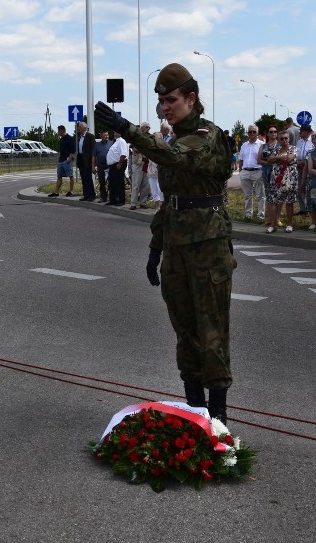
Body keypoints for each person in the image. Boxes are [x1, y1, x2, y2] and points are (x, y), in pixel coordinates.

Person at [94, 62, 235, 424]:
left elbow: (175, 157)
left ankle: (217, 418)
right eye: (161, 102)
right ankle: (194, 410)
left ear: (191, 98)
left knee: (211, 330)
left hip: (208, 247)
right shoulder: (173, 137)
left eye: (171, 100)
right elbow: (170, 204)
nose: (165, 107)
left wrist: (126, 130)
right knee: (184, 330)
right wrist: (155, 248)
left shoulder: (208, 136)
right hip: (176, 244)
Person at [266, 131, 297, 233]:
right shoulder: (276, 149)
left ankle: (289, 224)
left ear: (289, 139)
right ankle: (273, 225)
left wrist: (277, 158)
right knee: (273, 201)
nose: (284, 140)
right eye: (282, 139)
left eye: (286, 138)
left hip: (289, 179)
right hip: (276, 179)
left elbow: (288, 159)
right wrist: (279, 157)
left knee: (289, 202)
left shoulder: (293, 148)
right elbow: (269, 159)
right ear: (278, 140)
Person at [238, 124, 264, 221]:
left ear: (257, 133)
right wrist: (241, 172)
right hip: (245, 172)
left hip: (257, 171)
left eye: (254, 132)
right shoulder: (244, 145)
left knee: (260, 195)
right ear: (247, 133)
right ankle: (248, 215)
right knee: (247, 195)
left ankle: (261, 215)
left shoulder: (261, 144)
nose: (252, 133)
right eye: (250, 132)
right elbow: (240, 159)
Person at [258, 125, 280, 226]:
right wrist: (269, 162)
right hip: (266, 172)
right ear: (267, 134)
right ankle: (270, 219)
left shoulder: (280, 146)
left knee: (278, 196)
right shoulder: (263, 146)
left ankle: (277, 218)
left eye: (275, 132)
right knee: (268, 195)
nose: (273, 133)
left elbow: (282, 158)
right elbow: (259, 160)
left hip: (278, 173)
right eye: (271, 132)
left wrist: (273, 160)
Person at [129, 122, 152, 209]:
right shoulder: (137, 137)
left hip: (146, 163)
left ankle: (143, 202)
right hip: (138, 163)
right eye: (147, 127)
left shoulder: (149, 137)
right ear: (142, 128)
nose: (148, 129)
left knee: (146, 184)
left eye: (149, 128)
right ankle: (133, 203)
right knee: (136, 184)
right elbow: (135, 148)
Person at [49, 125, 75, 197]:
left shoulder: (70, 138)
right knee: (59, 176)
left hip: (67, 160)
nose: (58, 133)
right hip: (61, 160)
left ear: (62, 130)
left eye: (58, 131)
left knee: (70, 175)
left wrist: (69, 158)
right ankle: (56, 192)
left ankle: (71, 191)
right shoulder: (61, 139)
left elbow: (73, 150)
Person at [104, 130, 128, 205]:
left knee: (119, 183)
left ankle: (121, 200)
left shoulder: (121, 141)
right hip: (113, 165)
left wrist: (120, 163)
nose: (115, 133)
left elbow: (123, 154)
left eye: (117, 131)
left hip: (118, 164)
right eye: (114, 131)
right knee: (112, 183)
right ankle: (113, 199)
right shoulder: (116, 141)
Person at [295, 123, 314, 216]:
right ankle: (302, 208)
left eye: (301, 131)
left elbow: (312, 155)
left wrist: (305, 162)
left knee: (308, 189)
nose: (300, 132)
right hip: (299, 168)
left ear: (307, 132)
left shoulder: (312, 142)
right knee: (299, 188)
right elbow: (296, 153)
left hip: (308, 168)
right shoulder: (299, 142)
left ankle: (309, 208)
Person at [76, 121, 96, 201]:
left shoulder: (90, 136)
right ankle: (86, 194)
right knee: (83, 178)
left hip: (87, 160)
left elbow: (93, 150)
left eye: (79, 127)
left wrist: (92, 162)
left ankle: (91, 195)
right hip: (80, 158)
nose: (78, 128)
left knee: (88, 178)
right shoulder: (79, 137)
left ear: (84, 128)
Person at [92, 130, 112, 202]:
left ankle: (111, 196)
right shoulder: (97, 145)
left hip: (109, 165)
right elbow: (93, 156)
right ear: (101, 137)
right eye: (105, 135)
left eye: (107, 135)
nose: (107, 136)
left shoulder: (111, 143)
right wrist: (93, 167)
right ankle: (103, 197)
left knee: (111, 181)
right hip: (100, 165)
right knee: (101, 182)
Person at [147, 131, 164, 210]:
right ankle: (157, 206)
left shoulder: (163, 147)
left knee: (160, 189)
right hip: (151, 170)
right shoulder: (150, 147)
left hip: (159, 170)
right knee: (153, 189)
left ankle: (162, 205)